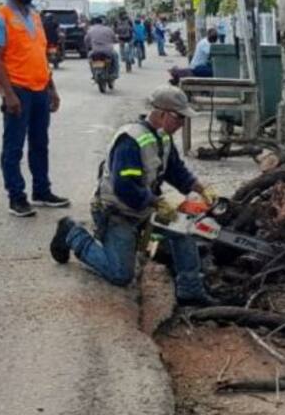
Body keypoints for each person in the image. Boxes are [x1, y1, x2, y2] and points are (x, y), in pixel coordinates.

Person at [49, 87, 218, 305]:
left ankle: (190, 289)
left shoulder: (162, 138)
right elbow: (125, 187)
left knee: (183, 230)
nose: (182, 124)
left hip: (146, 208)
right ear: (162, 113)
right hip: (118, 212)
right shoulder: (130, 141)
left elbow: (175, 170)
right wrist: (157, 202)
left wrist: (200, 188)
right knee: (121, 275)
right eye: (179, 118)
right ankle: (72, 234)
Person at [0, 0, 70, 218]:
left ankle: (42, 191)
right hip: (18, 90)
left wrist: (52, 88)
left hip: (40, 88)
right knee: (13, 147)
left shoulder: (34, 16)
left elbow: (40, 55)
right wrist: (8, 94)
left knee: (40, 143)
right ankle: (17, 197)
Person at [85, 14, 119, 80]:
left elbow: (86, 40)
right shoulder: (109, 29)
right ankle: (115, 73)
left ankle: (93, 74)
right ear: (102, 22)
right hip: (108, 51)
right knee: (115, 57)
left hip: (95, 51)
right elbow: (115, 39)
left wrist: (89, 46)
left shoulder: (90, 30)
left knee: (90, 60)